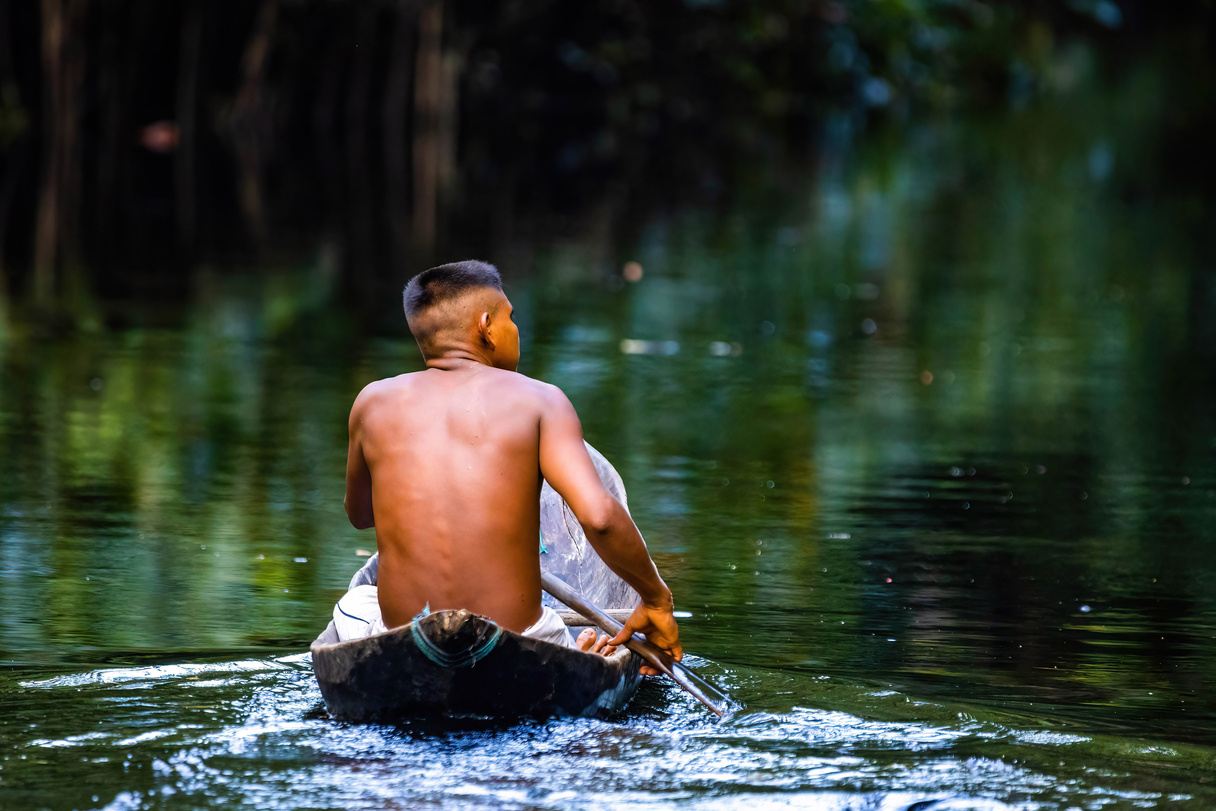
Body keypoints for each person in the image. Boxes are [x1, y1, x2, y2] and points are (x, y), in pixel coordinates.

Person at [333, 260, 681, 674]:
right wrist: (657, 600)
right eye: (511, 318)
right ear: (486, 326)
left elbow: (360, 515)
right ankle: (582, 656)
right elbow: (601, 518)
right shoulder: (540, 400)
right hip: (523, 641)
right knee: (549, 638)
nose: (516, 329)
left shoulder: (371, 403)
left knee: (357, 601)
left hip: (402, 637)